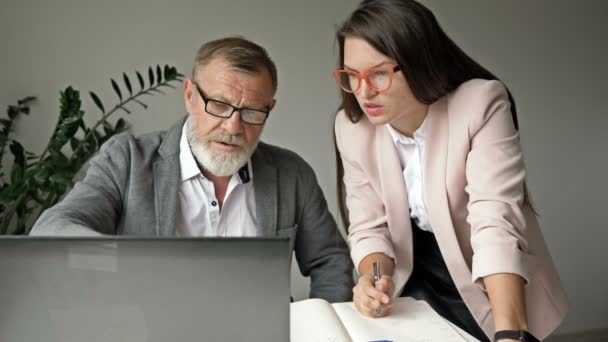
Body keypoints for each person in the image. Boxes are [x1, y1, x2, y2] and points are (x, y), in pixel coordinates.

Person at [31, 36, 354, 303]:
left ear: (269, 108)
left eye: (252, 112)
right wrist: (124, 264)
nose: (233, 126)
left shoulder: (292, 173)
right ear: (189, 95)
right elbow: (52, 228)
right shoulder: (127, 160)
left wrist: (319, 329)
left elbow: (330, 260)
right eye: (219, 105)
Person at [332, 0, 568, 341]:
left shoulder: (481, 103)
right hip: (412, 281)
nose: (363, 92)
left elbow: (494, 222)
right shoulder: (352, 126)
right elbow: (369, 225)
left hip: (489, 280)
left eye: (379, 74)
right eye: (351, 76)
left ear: (418, 61)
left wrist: (509, 334)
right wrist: (374, 278)